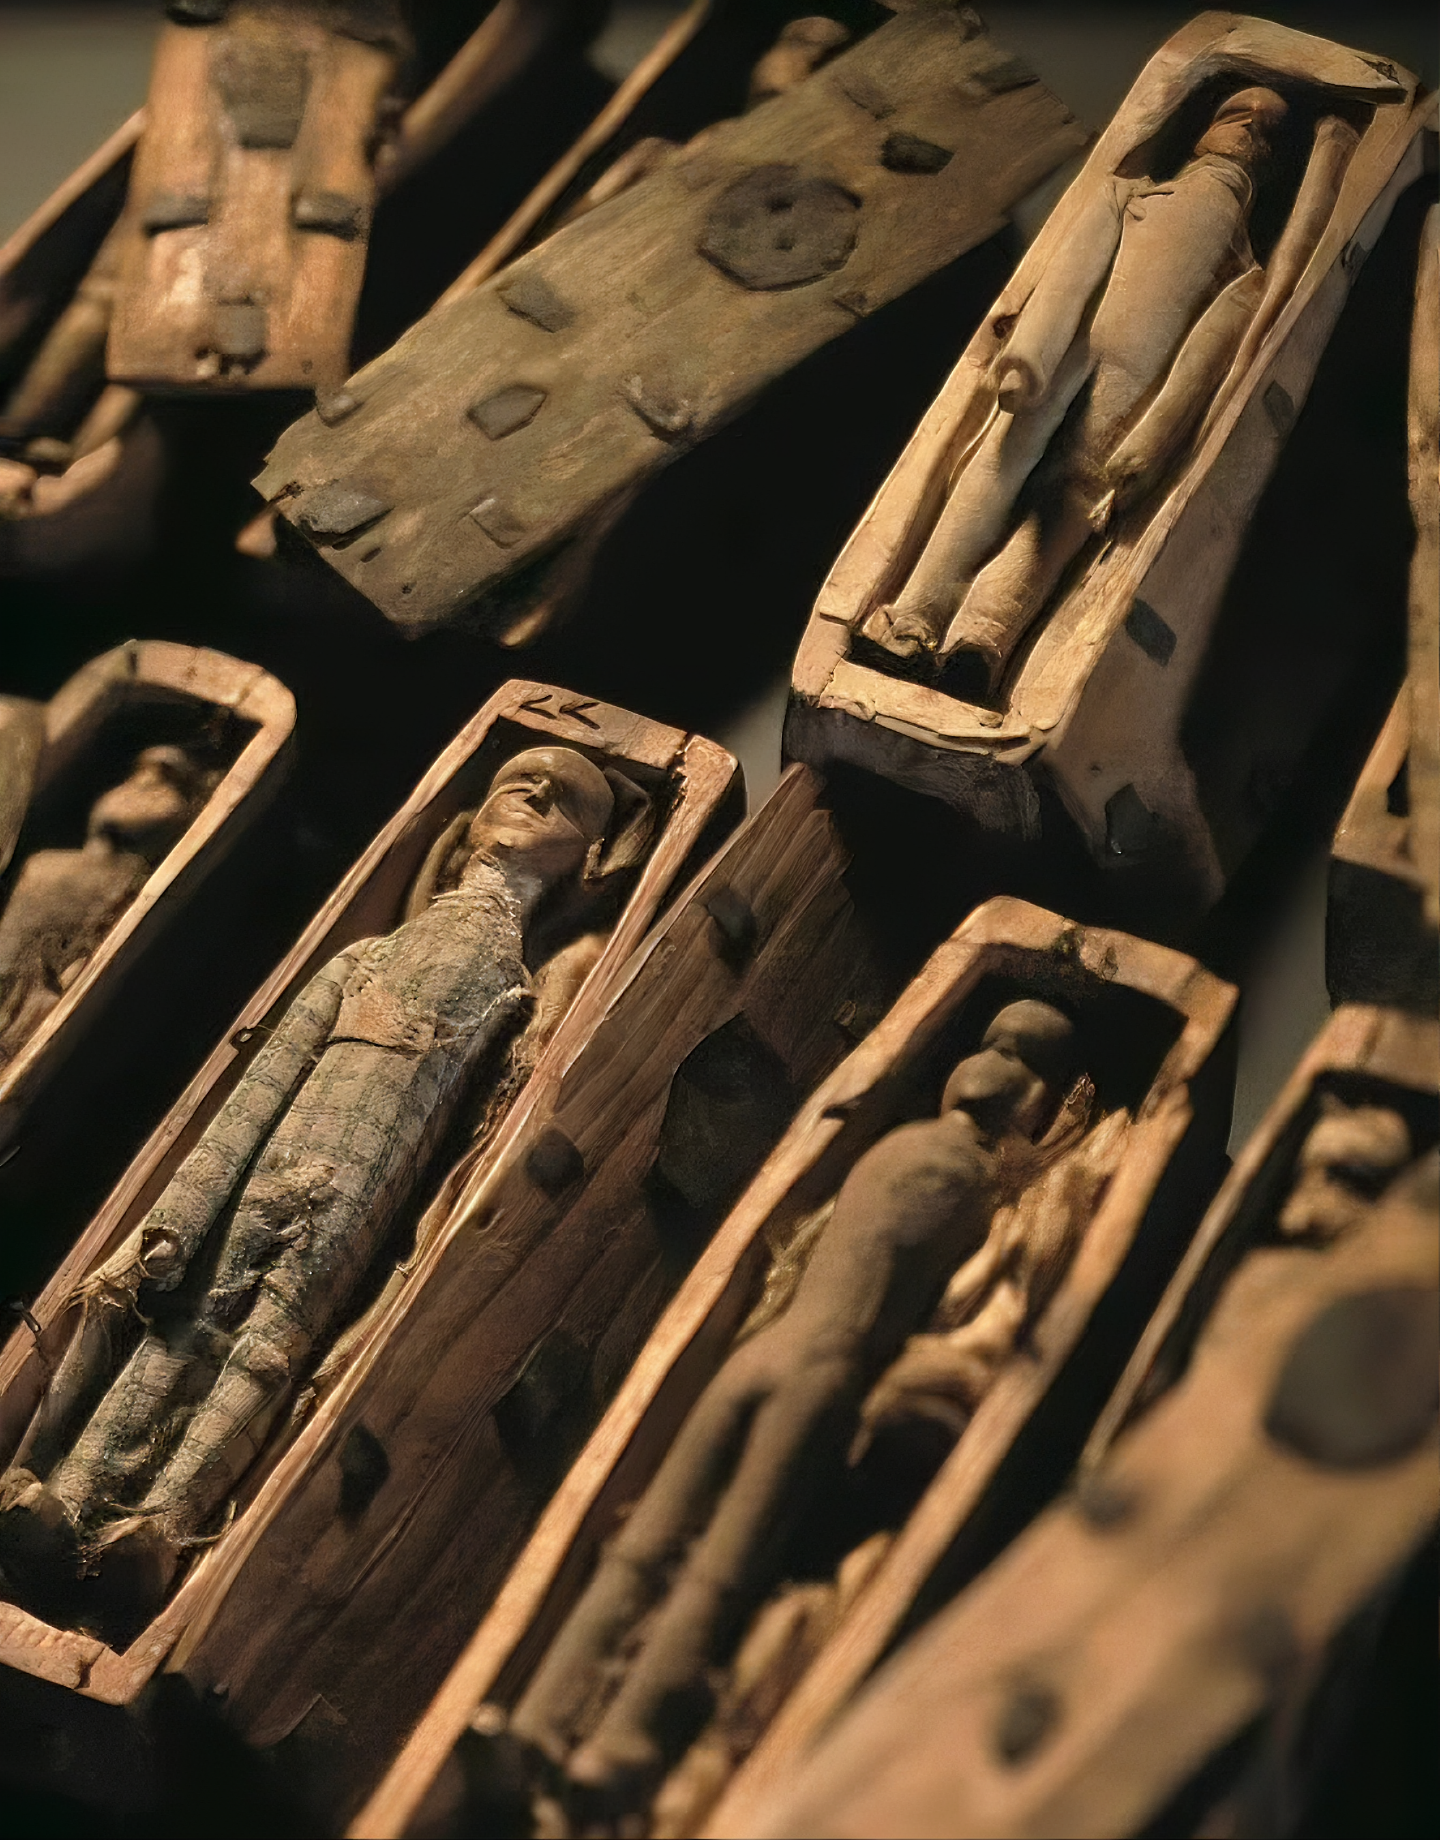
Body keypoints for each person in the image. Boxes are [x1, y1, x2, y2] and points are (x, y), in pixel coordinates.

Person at [0, 745, 647, 1632]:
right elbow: (258, 1089)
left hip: (357, 1214)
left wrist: (398, 1276)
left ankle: (155, 1533)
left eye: (564, 800)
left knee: (266, 1356)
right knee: (178, 1325)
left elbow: (470, 1149)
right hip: (266, 1176)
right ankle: (67, 1504)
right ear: (469, 824)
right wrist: (182, 1216)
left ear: (590, 860)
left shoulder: (520, 996)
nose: (534, 789)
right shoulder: (368, 956)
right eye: (517, 780)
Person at [511, 999, 1081, 1803]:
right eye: (999, 1049)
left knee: (692, 1552)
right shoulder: (961, 1173)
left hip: (786, 1359)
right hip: (803, 1363)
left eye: (1020, 1059)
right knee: (689, 1551)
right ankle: (576, 1729)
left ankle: (593, 1732)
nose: (996, 1072)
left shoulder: (930, 1161)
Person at [867, 87, 1291, 688]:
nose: (1247, 132)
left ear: (1271, 164)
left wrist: (1151, 441)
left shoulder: (1246, 270)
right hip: (1066, 360)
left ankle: (982, 639)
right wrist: (1028, 356)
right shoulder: (1129, 197)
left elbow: (1203, 356)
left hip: (1130, 396)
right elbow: (1071, 275)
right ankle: (914, 619)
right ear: (1204, 131)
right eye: (1237, 115)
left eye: (1264, 131)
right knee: (995, 467)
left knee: (1069, 505)